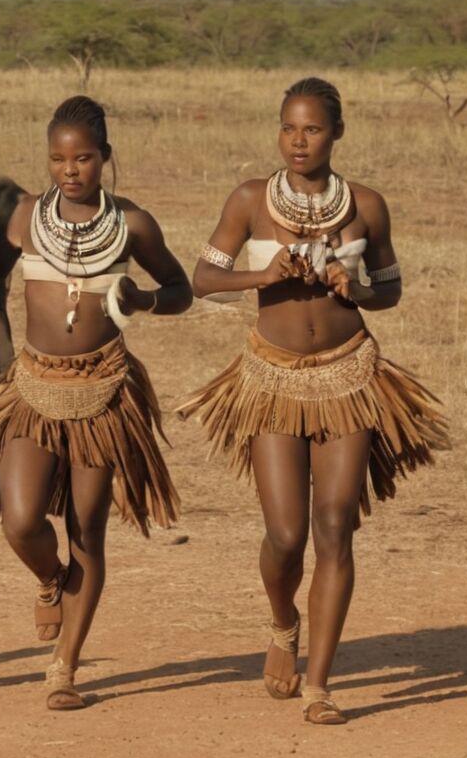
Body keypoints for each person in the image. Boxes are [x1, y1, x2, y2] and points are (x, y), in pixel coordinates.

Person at [178, 78, 448, 725]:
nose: (299, 141)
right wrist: (259, 276)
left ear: (337, 134)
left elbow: (390, 289)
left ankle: (320, 683)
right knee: (286, 533)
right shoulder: (249, 200)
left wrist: (353, 287)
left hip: (347, 377)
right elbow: (202, 278)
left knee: (334, 527)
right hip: (271, 381)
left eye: (313, 129)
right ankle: (282, 623)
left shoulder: (367, 207)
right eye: (289, 128)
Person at [0, 96, 192, 711]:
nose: (70, 169)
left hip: (104, 391)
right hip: (34, 387)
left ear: (105, 158)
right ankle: (50, 579)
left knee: (87, 528)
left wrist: (144, 303)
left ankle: (65, 669)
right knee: (21, 519)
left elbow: (181, 290)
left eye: (83, 157)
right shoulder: (26, 216)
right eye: (58, 158)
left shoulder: (133, 223)